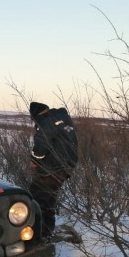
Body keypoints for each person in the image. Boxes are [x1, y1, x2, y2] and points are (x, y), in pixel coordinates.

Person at [27, 101, 79, 240]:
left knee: (35, 200)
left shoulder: (46, 123)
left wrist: (34, 161)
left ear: (35, 114)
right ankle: (47, 231)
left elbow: (40, 148)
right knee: (49, 200)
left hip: (50, 170)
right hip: (65, 168)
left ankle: (38, 234)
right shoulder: (64, 120)